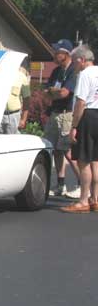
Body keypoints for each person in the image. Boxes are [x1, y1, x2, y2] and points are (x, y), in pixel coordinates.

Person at [61, 45, 98, 213]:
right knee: (96, 161)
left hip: (88, 116)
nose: (75, 66)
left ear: (81, 60)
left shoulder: (85, 74)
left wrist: (74, 126)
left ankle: (83, 201)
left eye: (76, 62)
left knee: (83, 161)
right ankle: (95, 198)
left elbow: (81, 102)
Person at [43, 39, 80, 196]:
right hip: (55, 113)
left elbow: (65, 93)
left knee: (68, 152)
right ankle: (60, 184)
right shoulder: (56, 71)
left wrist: (53, 93)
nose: (54, 54)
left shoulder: (73, 71)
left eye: (57, 52)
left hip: (67, 114)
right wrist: (53, 92)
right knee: (55, 150)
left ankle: (81, 184)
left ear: (65, 54)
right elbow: (45, 92)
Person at [0, 65, 31, 134]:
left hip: (13, 116)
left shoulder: (22, 77)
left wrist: (23, 119)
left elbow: (27, 99)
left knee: (12, 141)